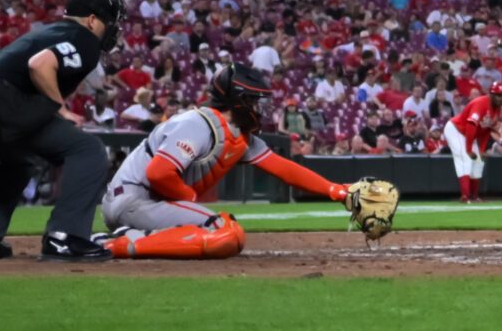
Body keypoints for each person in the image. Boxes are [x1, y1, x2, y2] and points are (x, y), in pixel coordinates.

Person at [100, 67, 355, 259]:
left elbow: (284, 169)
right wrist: (187, 197)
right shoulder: (197, 123)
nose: (260, 108)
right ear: (239, 100)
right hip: (135, 199)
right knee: (225, 232)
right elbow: (158, 173)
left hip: (147, 202)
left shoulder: (238, 134)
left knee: (224, 233)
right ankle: (116, 245)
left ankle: (126, 238)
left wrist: (338, 191)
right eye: (255, 101)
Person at [0, 0, 121, 260]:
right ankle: (65, 236)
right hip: (7, 101)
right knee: (87, 150)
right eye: (108, 21)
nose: (111, 28)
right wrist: (60, 107)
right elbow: (40, 64)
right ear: (92, 20)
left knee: (17, 163)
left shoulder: (51, 30)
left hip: (7, 101)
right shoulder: (85, 39)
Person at [446, 87, 495, 204]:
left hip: (469, 134)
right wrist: (468, 149)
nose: (501, 98)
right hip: (456, 129)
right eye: (497, 95)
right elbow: (470, 126)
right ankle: (465, 196)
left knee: (478, 161)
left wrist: (482, 149)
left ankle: (474, 196)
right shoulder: (480, 104)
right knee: (465, 158)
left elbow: (485, 131)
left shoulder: (494, 109)